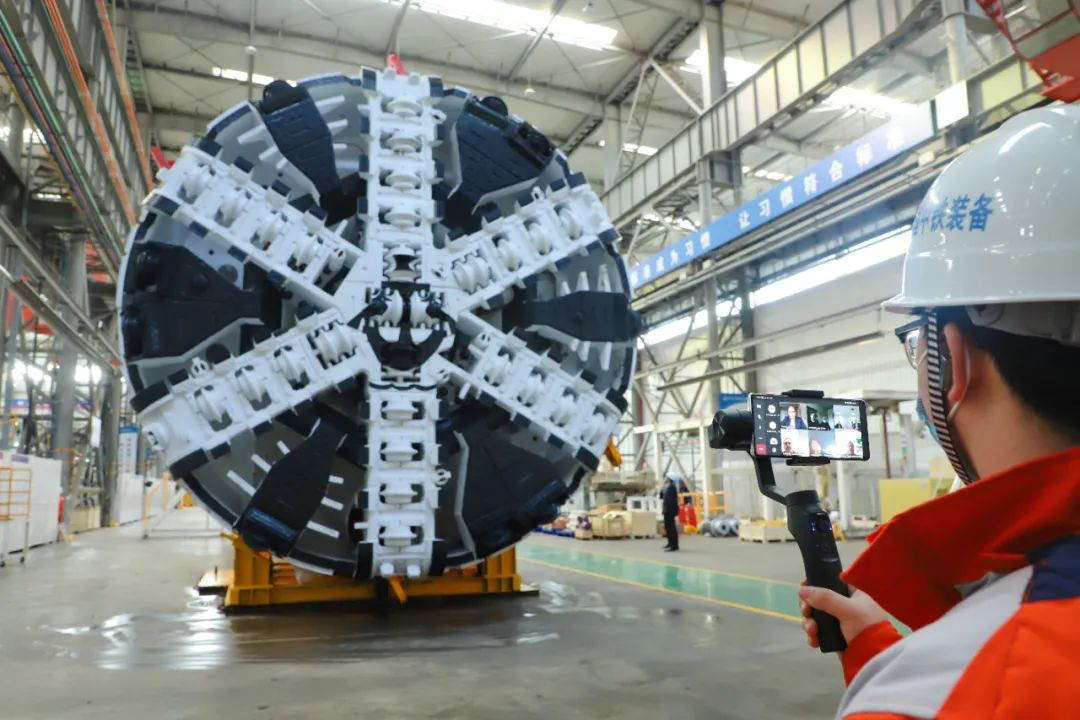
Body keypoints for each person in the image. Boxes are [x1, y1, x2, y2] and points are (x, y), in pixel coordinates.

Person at [798, 106, 1080, 718]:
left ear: (954, 360)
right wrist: (881, 649)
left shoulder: (922, 695)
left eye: (916, 345)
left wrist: (908, 675)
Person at [660, 474, 679, 552]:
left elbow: (671, 502)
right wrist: (662, 487)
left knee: (671, 528)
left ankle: (674, 545)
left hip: (670, 511)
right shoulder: (667, 487)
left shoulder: (672, 488)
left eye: (666, 478)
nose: (665, 479)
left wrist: (671, 512)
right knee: (667, 527)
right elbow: (661, 496)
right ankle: (670, 543)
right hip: (666, 510)